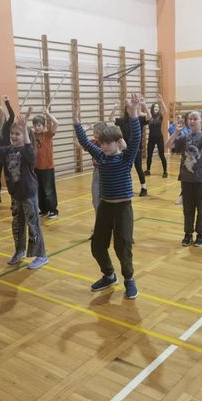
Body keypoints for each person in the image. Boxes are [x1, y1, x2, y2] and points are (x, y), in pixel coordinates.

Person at [73, 94, 142, 296]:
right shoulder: (100, 156)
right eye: (101, 143)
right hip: (105, 206)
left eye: (107, 143)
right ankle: (109, 275)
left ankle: (129, 279)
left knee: (123, 247)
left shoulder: (126, 159)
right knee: (97, 246)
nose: (103, 146)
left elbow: (136, 138)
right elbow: (85, 142)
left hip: (122, 207)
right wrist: (76, 121)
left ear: (117, 143)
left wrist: (133, 114)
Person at [0, 107, 47, 269]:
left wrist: (25, 130)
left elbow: (30, 155)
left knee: (33, 224)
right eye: (12, 133)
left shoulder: (27, 151)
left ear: (25, 135)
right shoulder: (6, 150)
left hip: (29, 193)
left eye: (17, 134)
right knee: (17, 225)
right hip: (15, 194)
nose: (13, 136)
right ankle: (20, 251)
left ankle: (41, 255)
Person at [172, 109, 202, 248]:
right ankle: (188, 234)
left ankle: (201, 235)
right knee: (187, 209)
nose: (192, 121)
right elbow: (168, 145)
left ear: (201, 121)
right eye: (190, 119)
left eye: (195, 119)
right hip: (186, 179)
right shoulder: (184, 137)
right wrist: (176, 132)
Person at [33, 106, 61, 217]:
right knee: (39, 190)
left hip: (47, 167)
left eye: (39, 125)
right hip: (36, 167)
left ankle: (53, 210)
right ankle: (43, 209)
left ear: (43, 126)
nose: (37, 127)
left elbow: (57, 123)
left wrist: (48, 114)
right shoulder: (32, 135)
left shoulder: (47, 134)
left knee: (48, 190)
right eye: (35, 125)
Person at [144, 98, 168, 177]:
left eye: (158, 107)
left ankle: (165, 171)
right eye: (155, 107)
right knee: (149, 155)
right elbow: (141, 113)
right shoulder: (149, 116)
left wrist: (161, 101)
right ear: (152, 108)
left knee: (161, 155)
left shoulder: (160, 116)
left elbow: (165, 110)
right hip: (151, 138)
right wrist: (142, 104)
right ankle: (148, 170)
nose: (157, 108)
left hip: (159, 138)